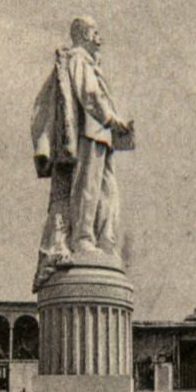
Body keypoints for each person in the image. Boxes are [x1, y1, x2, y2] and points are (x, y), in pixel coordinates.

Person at [30, 15, 135, 288]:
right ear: (85, 35)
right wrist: (112, 120)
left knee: (108, 190)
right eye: (96, 33)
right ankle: (83, 238)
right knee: (87, 188)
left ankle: (105, 238)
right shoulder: (78, 59)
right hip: (90, 131)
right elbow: (89, 95)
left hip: (102, 135)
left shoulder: (90, 63)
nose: (100, 39)